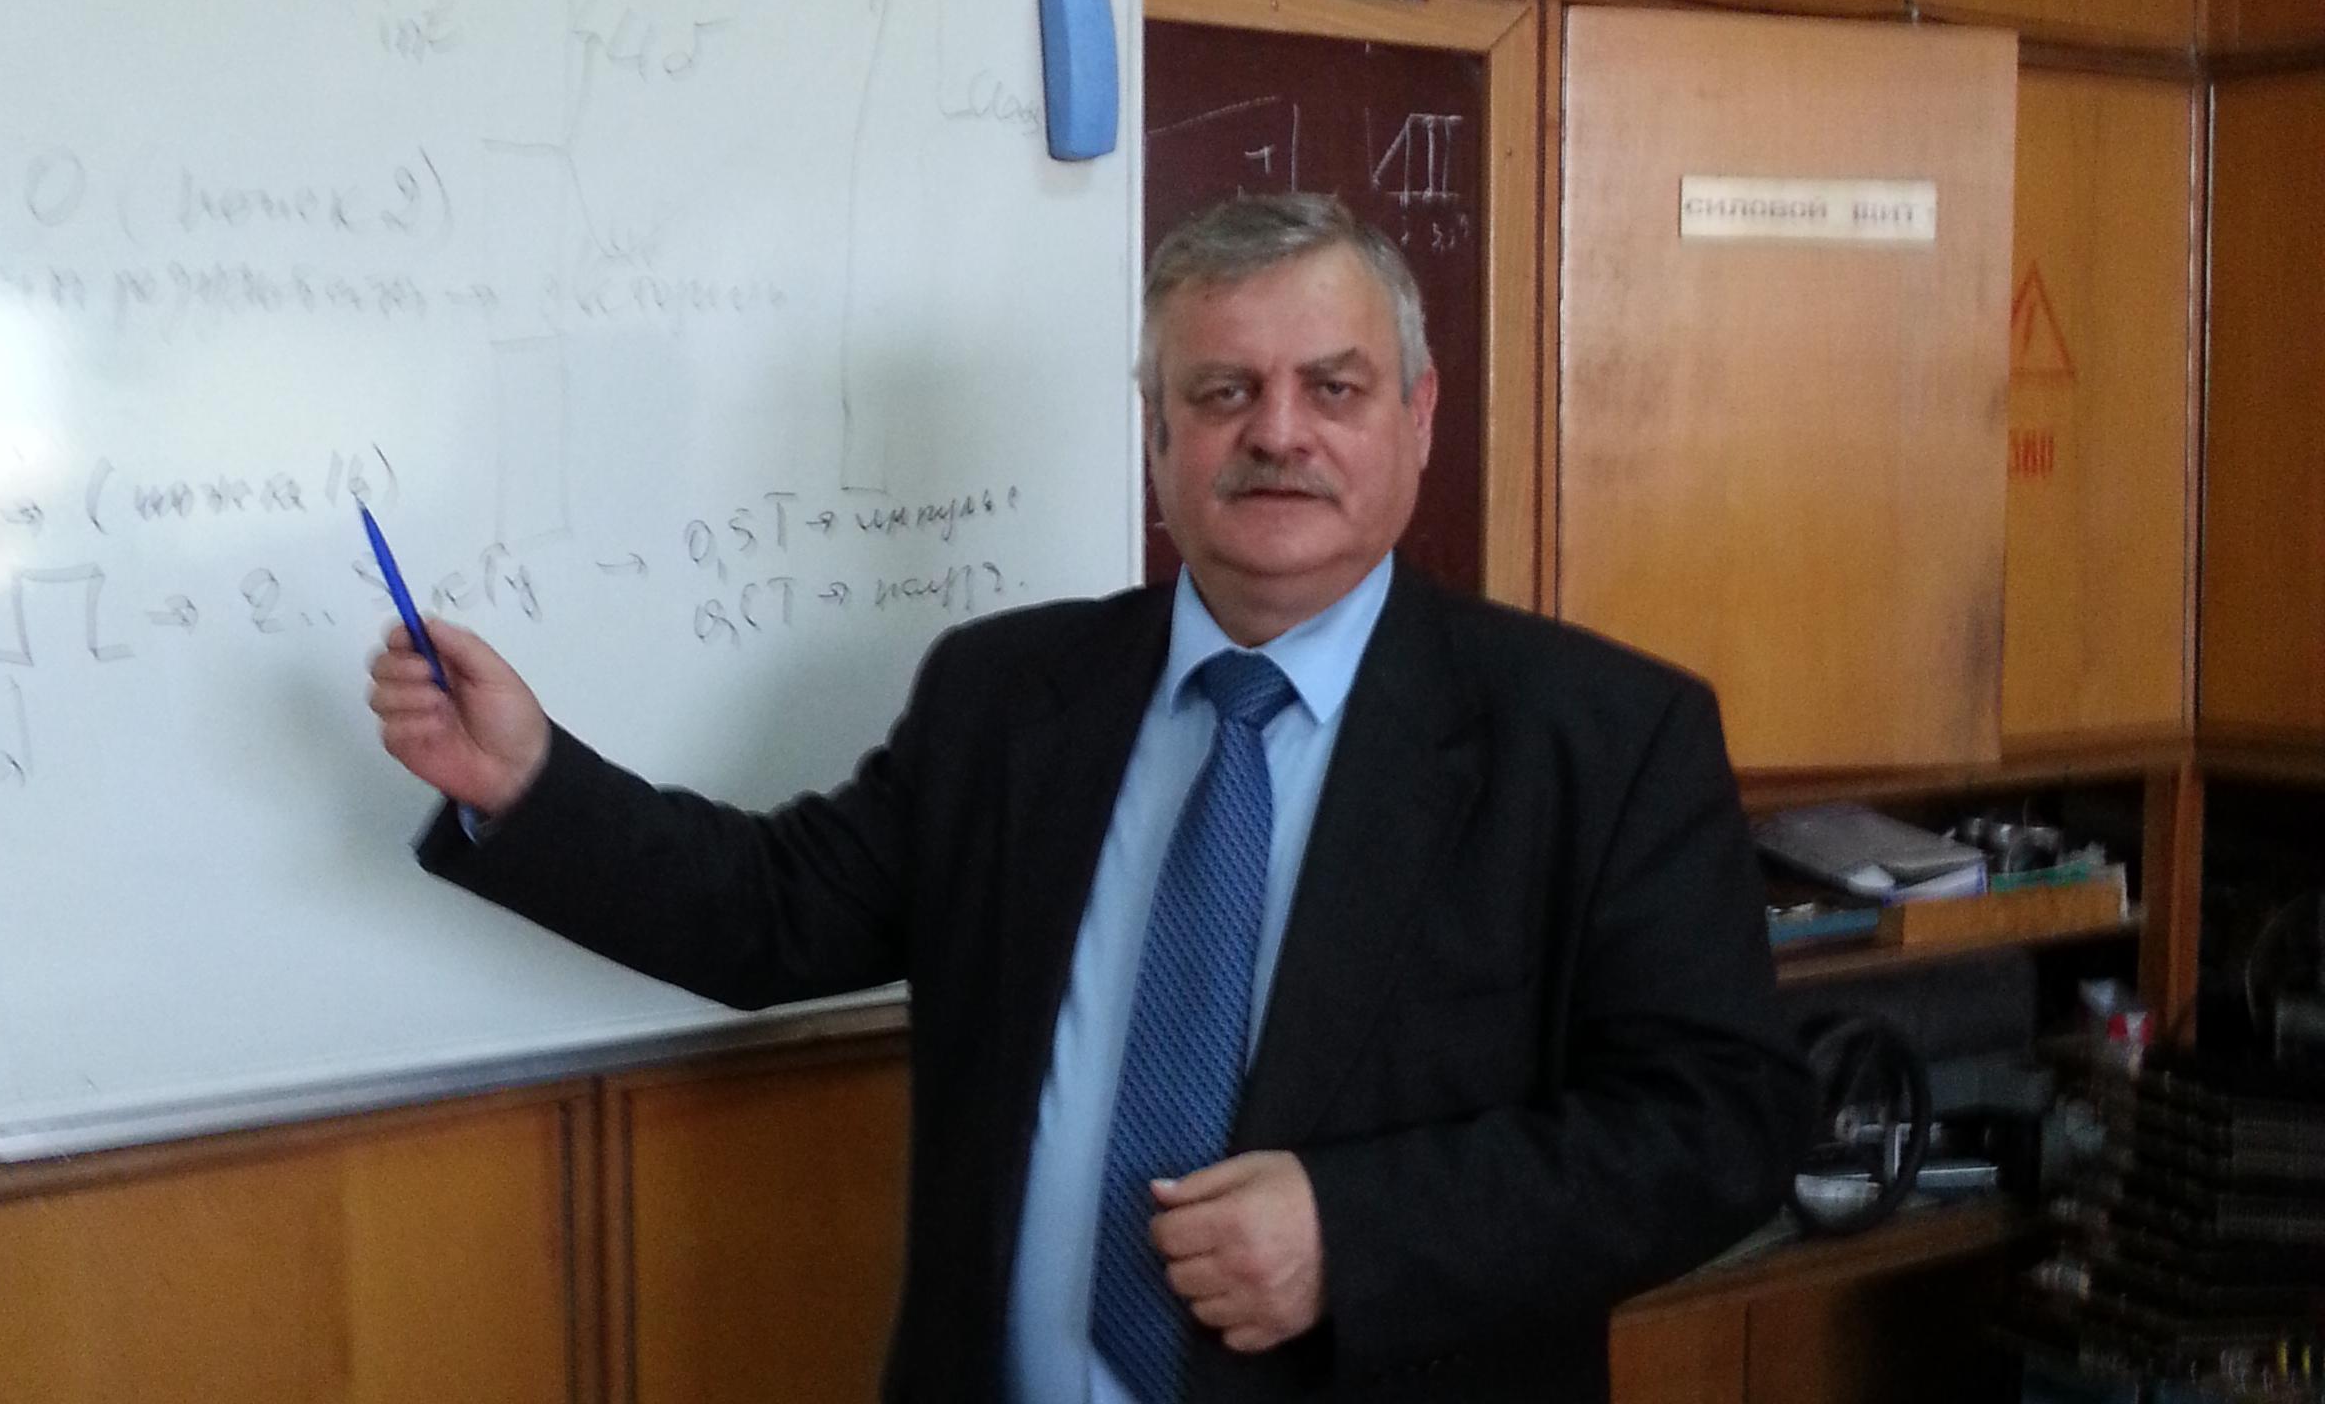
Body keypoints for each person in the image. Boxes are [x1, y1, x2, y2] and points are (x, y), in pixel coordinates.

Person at [370, 193, 1811, 1402]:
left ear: (1419, 416)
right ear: (1157, 431)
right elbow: (773, 912)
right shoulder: (1008, 697)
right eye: (1223, 391)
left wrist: (1358, 1234)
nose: (1279, 432)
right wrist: (529, 782)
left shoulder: (1602, 738)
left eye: (1334, 387)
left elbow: (1721, 1128)